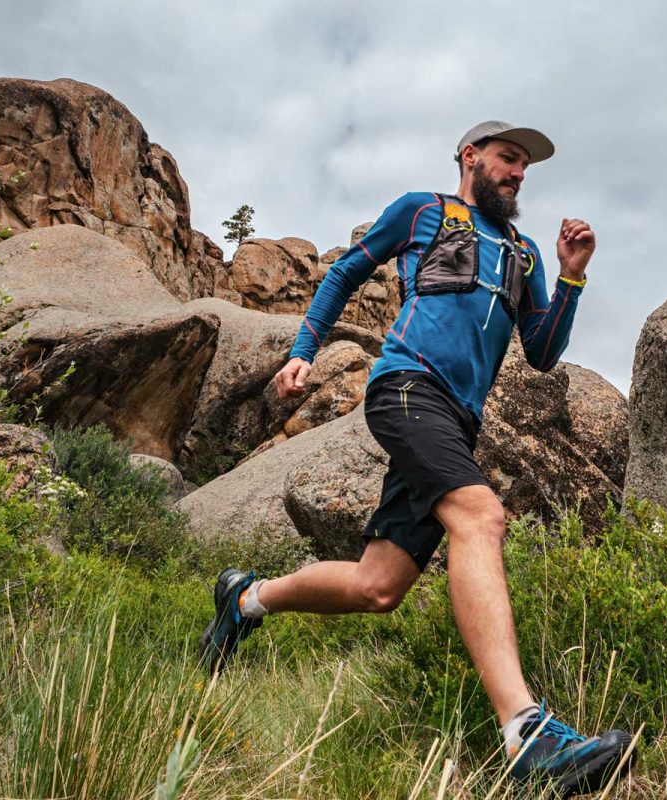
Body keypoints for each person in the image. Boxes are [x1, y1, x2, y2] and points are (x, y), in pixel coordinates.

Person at [199, 121, 636, 795]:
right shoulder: (425, 211)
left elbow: (543, 353)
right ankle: (527, 735)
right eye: (508, 158)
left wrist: (573, 278)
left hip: (456, 420)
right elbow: (348, 270)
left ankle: (246, 599)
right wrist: (301, 353)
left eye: (525, 166)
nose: (518, 173)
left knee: (379, 586)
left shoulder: (523, 253)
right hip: (408, 386)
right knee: (480, 517)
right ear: (471, 157)